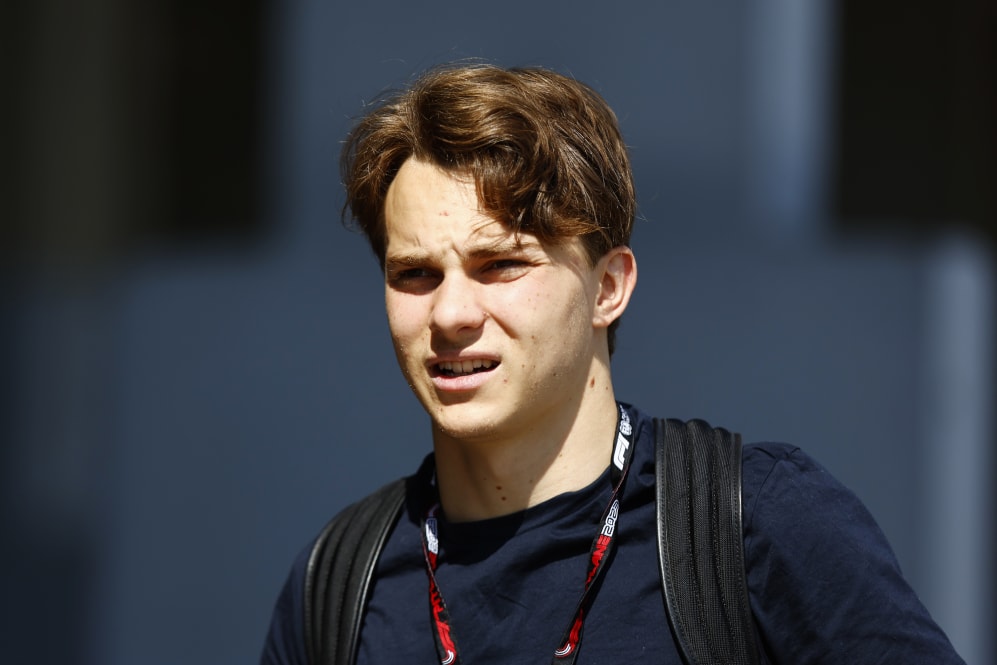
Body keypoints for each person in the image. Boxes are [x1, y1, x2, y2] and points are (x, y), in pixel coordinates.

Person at [260, 63, 964, 664]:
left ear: (607, 287)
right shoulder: (340, 585)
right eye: (414, 273)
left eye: (500, 263)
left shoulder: (754, 525)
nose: (449, 314)